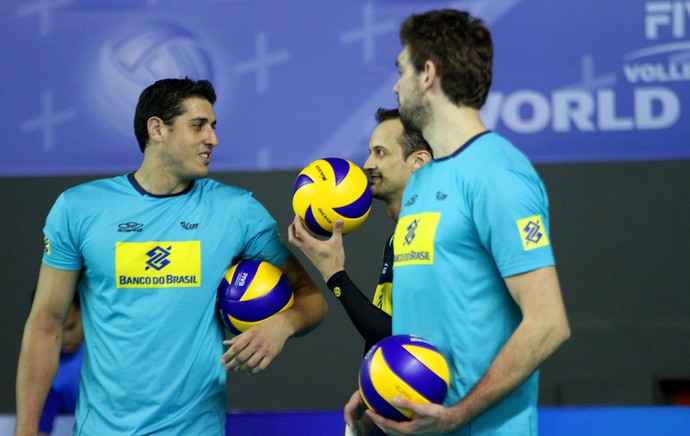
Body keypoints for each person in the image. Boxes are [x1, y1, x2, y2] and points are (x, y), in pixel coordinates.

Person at [15, 77, 327, 436]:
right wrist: (26, 428)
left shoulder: (237, 211)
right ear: (157, 129)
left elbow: (311, 297)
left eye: (213, 126)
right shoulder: (78, 208)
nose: (213, 139)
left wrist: (281, 325)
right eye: (198, 126)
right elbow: (46, 323)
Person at [344, 9, 571, 435]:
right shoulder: (422, 181)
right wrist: (379, 384)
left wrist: (458, 413)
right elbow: (425, 320)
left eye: (401, 72)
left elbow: (548, 323)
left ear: (428, 74)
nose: (395, 87)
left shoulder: (499, 175)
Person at [288, 108, 432, 353]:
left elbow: (404, 342)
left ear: (418, 161)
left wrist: (334, 273)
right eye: (369, 153)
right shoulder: (397, 238)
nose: (367, 164)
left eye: (380, 153)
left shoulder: (435, 233)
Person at [38, 292, 82, 436]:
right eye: (55, 330)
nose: (64, 338)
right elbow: (41, 427)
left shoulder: (107, 354)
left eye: (70, 327)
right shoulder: (44, 370)